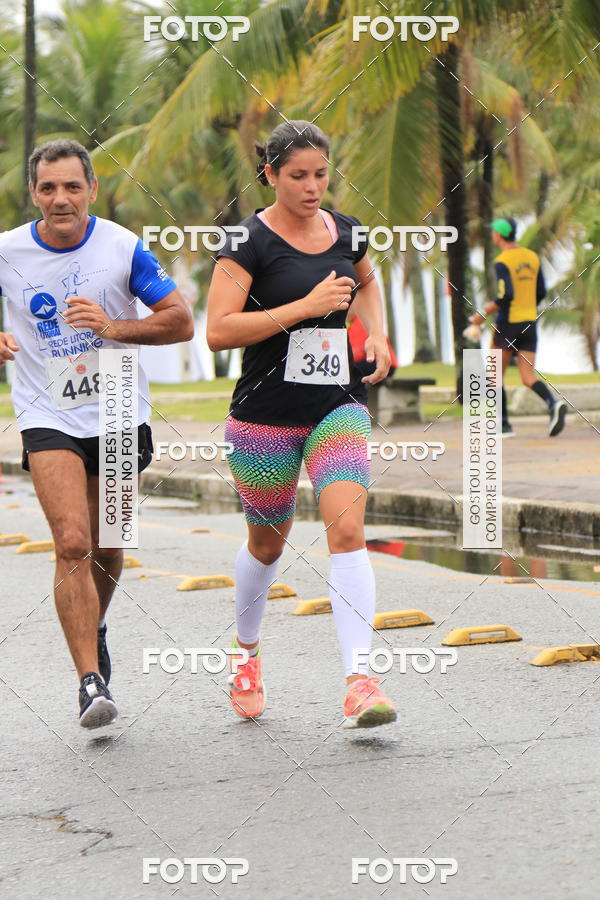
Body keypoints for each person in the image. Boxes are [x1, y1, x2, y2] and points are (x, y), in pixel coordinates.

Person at [207, 121, 397, 729]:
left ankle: (360, 682)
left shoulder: (346, 230)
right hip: (264, 417)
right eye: (298, 176)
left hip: (334, 406)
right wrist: (303, 309)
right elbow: (217, 331)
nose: (313, 187)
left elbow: (366, 278)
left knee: (347, 530)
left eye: (321, 174)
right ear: (270, 175)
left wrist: (380, 332)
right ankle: (247, 654)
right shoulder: (246, 241)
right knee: (268, 544)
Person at [0, 139, 194, 728]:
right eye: (48, 187)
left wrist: (112, 325)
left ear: (92, 189)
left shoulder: (123, 247)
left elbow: (181, 321)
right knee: (73, 544)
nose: (60, 198)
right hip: (46, 411)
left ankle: (96, 624)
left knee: (108, 547)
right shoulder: (6, 252)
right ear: (33, 193)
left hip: (114, 406)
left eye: (72, 186)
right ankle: (89, 681)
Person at [469, 216, 566, 437]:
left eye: (493, 231)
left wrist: (482, 314)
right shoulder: (532, 257)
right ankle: (553, 404)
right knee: (527, 376)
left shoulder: (502, 261)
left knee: (494, 375)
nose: (492, 234)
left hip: (508, 323)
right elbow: (541, 291)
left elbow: (506, 295)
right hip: (529, 321)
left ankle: (503, 425)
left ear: (499, 235)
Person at [348, 311, 397, 381]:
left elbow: (359, 351)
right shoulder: (352, 326)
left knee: (348, 370)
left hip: (382, 362)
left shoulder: (361, 322)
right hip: (380, 363)